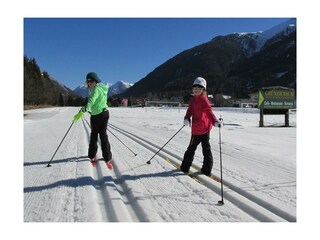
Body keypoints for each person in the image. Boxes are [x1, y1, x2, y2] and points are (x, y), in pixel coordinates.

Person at [180, 77, 222, 176]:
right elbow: (189, 111)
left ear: (203, 89)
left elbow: (209, 112)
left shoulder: (204, 100)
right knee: (191, 149)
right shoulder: (193, 100)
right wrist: (186, 118)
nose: (196, 90)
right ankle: (185, 168)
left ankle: (206, 170)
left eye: (199, 88)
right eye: (195, 87)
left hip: (205, 129)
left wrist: (215, 121)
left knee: (206, 150)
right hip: (196, 130)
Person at [73, 72, 113, 169]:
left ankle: (92, 156)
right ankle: (107, 157)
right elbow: (98, 102)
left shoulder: (95, 90)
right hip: (105, 113)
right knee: (103, 135)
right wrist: (92, 110)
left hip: (98, 116)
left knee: (94, 134)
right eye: (88, 81)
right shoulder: (103, 89)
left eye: (91, 81)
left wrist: (83, 111)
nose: (89, 83)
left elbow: (91, 101)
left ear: (95, 80)